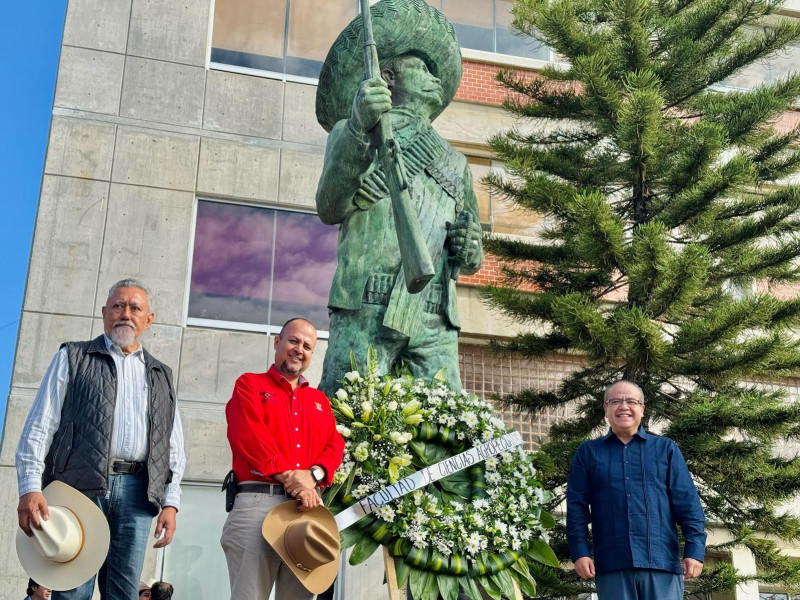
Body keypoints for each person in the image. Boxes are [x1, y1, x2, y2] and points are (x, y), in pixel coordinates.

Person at [315, 0, 483, 397]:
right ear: (388, 75)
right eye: (421, 67)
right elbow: (329, 206)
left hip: (433, 313)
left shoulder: (455, 163)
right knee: (347, 413)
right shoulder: (354, 131)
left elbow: (472, 254)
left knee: (447, 431)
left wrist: (468, 246)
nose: (433, 77)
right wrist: (359, 125)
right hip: (366, 302)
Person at [15, 279, 186, 600]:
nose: (126, 314)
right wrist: (30, 486)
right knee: (71, 590)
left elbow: (172, 446)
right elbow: (40, 425)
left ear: (149, 319)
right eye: (118, 306)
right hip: (77, 488)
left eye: (135, 308)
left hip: (138, 493)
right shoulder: (72, 356)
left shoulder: (161, 374)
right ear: (105, 312)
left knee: (124, 593)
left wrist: (171, 502)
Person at [221, 317, 345, 600]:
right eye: (293, 340)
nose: (299, 349)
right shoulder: (249, 384)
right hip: (257, 503)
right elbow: (250, 437)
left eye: (307, 346)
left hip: (306, 509)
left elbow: (334, 444)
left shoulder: (319, 400)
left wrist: (312, 476)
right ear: (277, 342)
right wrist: (294, 480)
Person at [566, 380, 706, 599]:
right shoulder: (588, 453)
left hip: (661, 564)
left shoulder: (666, 449)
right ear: (606, 409)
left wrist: (695, 551)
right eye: (615, 401)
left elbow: (688, 504)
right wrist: (580, 552)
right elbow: (577, 508)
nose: (623, 406)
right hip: (612, 565)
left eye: (631, 401)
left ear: (642, 408)